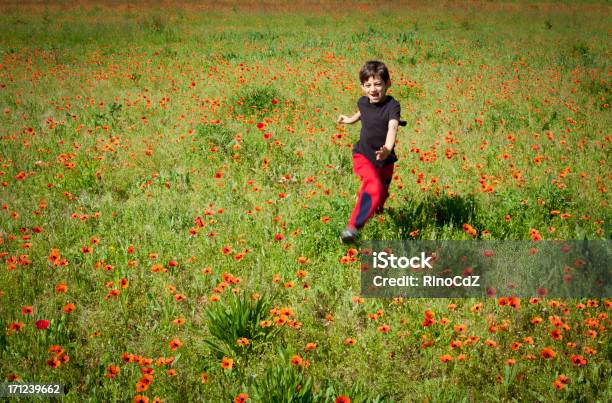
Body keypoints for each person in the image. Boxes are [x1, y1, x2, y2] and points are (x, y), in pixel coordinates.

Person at [337, 60, 406, 243]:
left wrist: (387, 150)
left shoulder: (393, 106)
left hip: (385, 160)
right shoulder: (363, 102)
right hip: (364, 155)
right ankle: (353, 227)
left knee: (381, 194)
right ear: (362, 87)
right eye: (368, 85)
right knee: (373, 186)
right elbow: (362, 113)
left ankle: (374, 212)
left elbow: (392, 127)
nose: (373, 89)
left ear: (387, 83)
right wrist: (349, 120)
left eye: (378, 84)